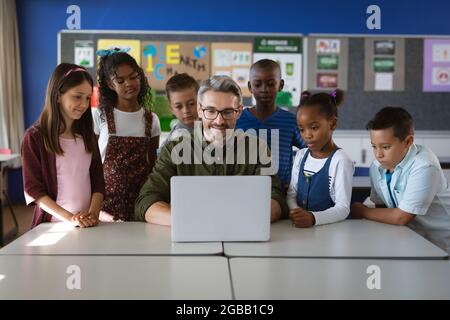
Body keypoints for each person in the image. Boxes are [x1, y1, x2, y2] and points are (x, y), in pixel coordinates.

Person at [135, 75, 287, 225]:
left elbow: (276, 198)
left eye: (227, 112)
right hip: (190, 239)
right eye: (211, 111)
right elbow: (146, 201)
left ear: (239, 111)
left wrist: (238, 220)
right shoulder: (174, 149)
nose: (219, 121)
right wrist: (192, 221)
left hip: (244, 238)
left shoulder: (257, 149)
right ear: (200, 110)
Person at [351, 106, 450, 253]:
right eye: (374, 146)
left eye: (385, 147)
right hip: (407, 239)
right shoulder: (377, 166)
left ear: (408, 141)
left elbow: (401, 217)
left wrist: (362, 211)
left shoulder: (424, 166)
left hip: (440, 245)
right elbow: (382, 208)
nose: (378, 154)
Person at [22, 63, 104, 228]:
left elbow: (98, 182)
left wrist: (93, 214)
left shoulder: (88, 136)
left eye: (88, 98)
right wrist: (71, 218)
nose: (84, 104)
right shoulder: (34, 137)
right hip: (52, 226)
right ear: (58, 95)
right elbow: (34, 191)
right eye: (77, 96)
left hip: (87, 225)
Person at [93, 48, 161, 221]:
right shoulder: (99, 116)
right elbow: (90, 163)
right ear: (110, 84)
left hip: (140, 200)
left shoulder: (151, 119)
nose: (129, 84)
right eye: (120, 80)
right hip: (106, 202)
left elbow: (152, 164)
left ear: (140, 76)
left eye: (133, 76)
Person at [287, 90, 354, 228]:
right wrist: (295, 211)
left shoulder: (340, 160)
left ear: (332, 124)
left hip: (329, 232)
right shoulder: (301, 156)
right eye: (301, 129)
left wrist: (313, 218)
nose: (307, 135)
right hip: (301, 231)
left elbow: (343, 208)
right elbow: (291, 194)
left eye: (314, 127)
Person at [236, 59, 305, 189]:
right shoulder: (237, 120)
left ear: (281, 85)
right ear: (250, 87)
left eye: (271, 83)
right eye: (258, 84)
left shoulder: (291, 121)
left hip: (280, 192)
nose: (264, 89)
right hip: (243, 189)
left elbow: (311, 151)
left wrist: (297, 181)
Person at [163, 73, 199, 145]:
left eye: (191, 104)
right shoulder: (174, 140)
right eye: (179, 106)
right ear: (171, 109)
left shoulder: (213, 125)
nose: (186, 111)